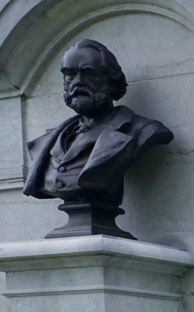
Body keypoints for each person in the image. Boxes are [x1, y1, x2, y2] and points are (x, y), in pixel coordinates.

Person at [24, 40, 173, 209]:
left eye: (88, 73)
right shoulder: (45, 143)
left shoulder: (143, 130)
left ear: (112, 80)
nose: (77, 82)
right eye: (69, 74)